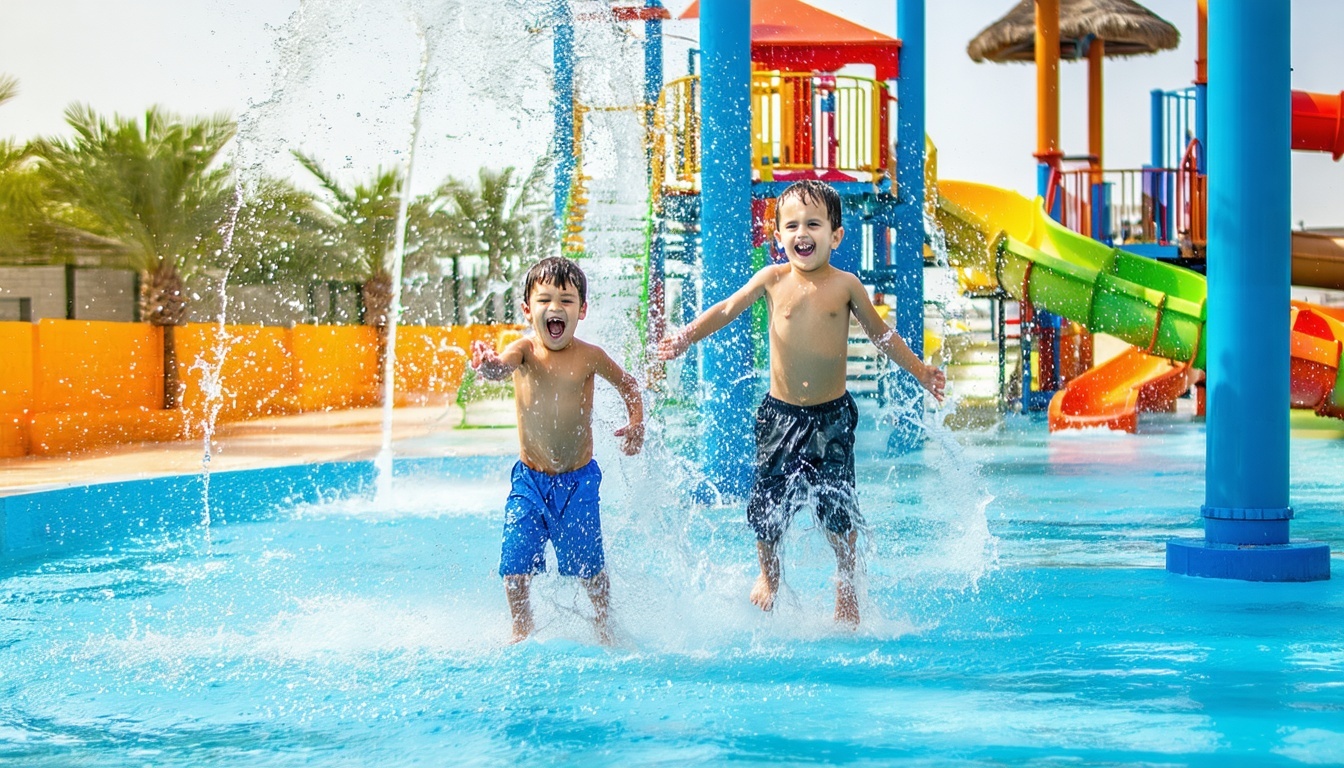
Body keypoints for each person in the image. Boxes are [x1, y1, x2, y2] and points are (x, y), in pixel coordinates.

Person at [657, 180, 945, 628]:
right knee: (767, 507)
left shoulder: (846, 286)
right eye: (791, 225)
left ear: (836, 235)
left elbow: (882, 335)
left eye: (813, 223)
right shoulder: (772, 279)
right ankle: (769, 576)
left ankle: (845, 582)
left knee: (839, 509)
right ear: (778, 237)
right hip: (780, 417)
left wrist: (921, 372)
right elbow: (727, 308)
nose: (802, 233)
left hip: (831, 418)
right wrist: (684, 336)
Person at [472, 255, 645, 644]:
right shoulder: (523, 351)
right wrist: (488, 366)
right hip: (530, 482)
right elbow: (502, 368)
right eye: (545, 299)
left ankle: (603, 624)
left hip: (578, 483)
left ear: (582, 310)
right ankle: (522, 626)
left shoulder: (590, 356)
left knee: (589, 569)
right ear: (527, 309)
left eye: (566, 301)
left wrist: (636, 423)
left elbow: (629, 386)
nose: (555, 308)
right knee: (514, 569)